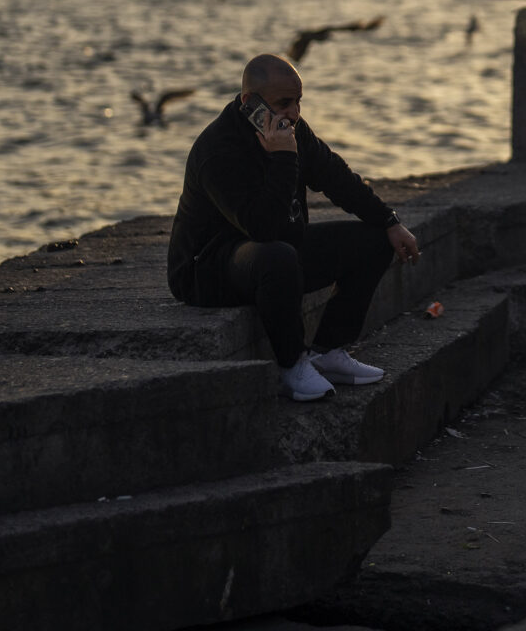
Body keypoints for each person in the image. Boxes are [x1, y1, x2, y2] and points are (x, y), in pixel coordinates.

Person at [167, 53, 421, 401]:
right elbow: (263, 228)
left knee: (375, 240)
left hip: (269, 252)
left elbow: (336, 177)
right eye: (284, 103)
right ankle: (292, 365)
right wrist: (283, 156)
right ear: (248, 102)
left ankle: (328, 352)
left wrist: (390, 222)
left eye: (298, 102)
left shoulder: (291, 131)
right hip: (207, 269)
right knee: (278, 255)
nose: (294, 113)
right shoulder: (219, 150)